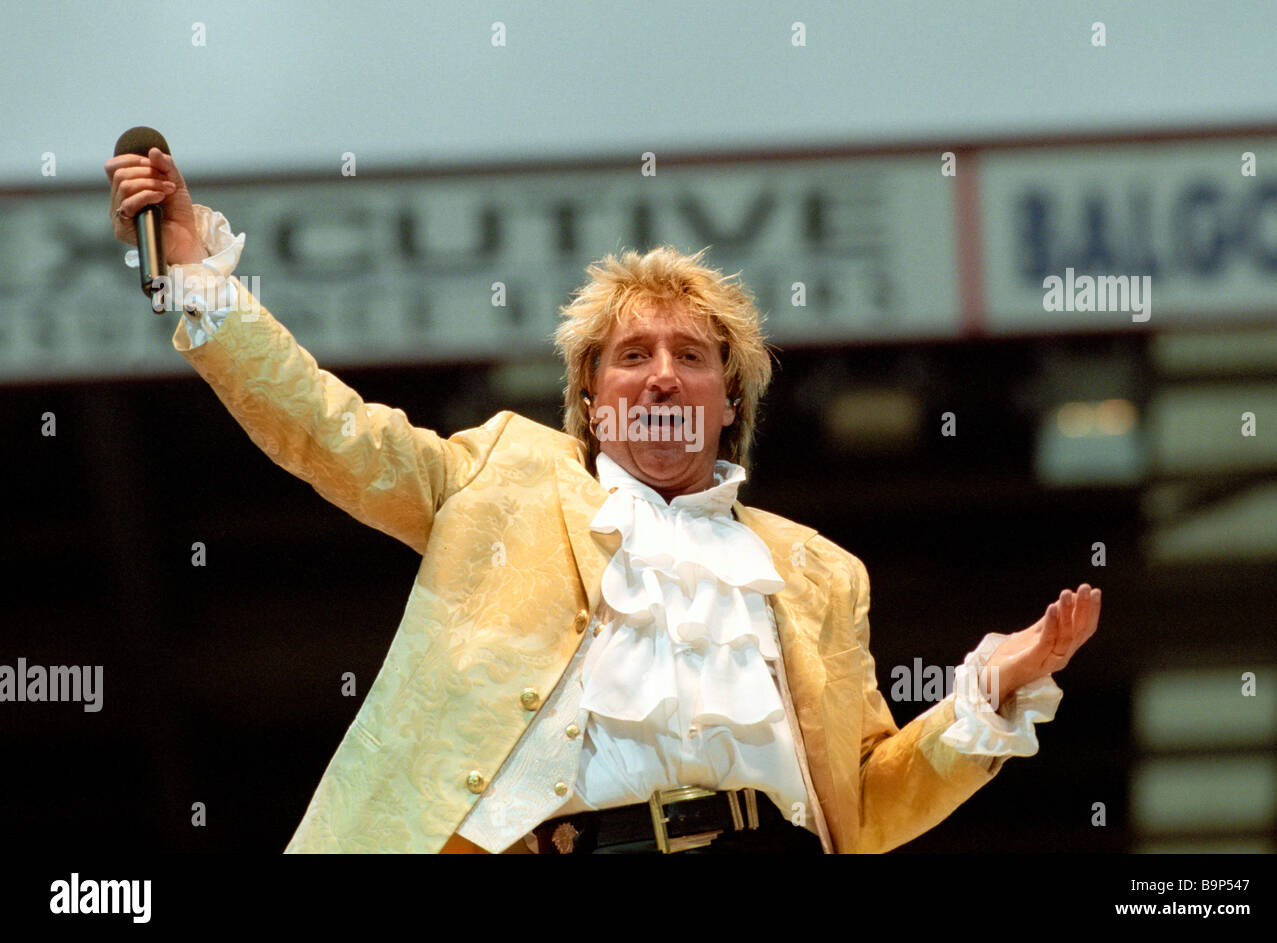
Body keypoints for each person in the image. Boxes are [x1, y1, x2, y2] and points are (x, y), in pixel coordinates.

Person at [106, 147, 1101, 854]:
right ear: (590, 397)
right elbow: (330, 432)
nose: (661, 378)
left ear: (730, 402)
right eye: (631, 356)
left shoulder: (817, 574)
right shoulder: (499, 472)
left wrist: (991, 690)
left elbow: (868, 806)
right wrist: (198, 282)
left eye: (692, 359)